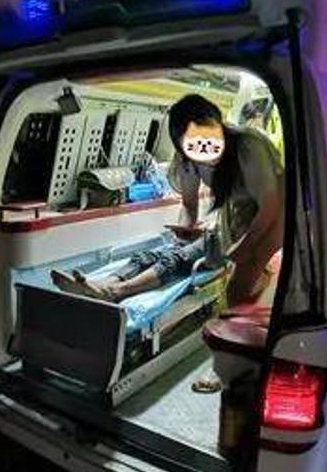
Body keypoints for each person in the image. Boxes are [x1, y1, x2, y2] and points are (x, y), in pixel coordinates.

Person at [51, 94, 284, 388]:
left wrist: (244, 249)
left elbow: (271, 206)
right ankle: (102, 284)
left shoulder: (248, 146)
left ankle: (230, 365)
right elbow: (189, 206)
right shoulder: (188, 160)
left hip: (275, 216)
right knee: (164, 252)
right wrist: (185, 229)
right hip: (232, 218)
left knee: (235, 286)